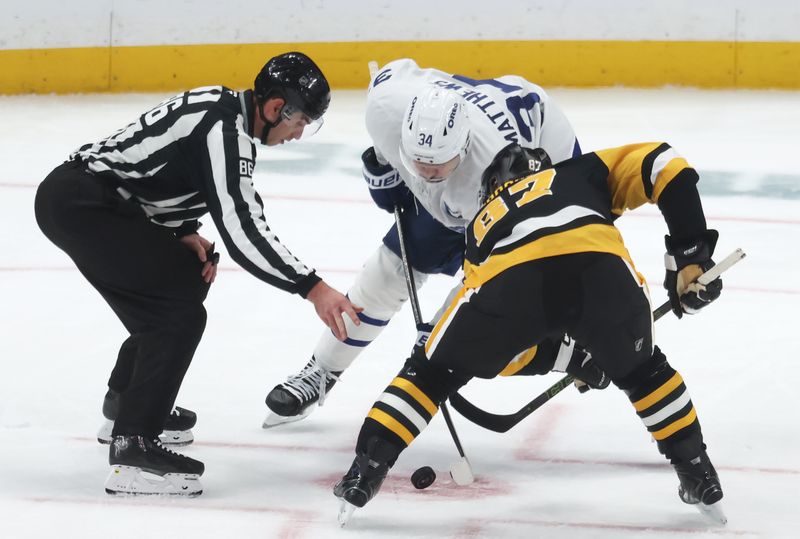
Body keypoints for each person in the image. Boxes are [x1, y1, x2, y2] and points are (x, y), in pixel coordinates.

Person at [333, 141, 726, 523]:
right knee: (645, 373)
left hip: (509, 280)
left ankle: (364, 474)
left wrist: (568, 358)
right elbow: (663, 163)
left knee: (428, 375)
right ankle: (697, 472)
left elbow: (499, 347)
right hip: (602, 272)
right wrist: (690, 253)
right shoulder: (577, 173)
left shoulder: (480, 226)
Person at [34, 51, 362, 496]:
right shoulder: (225, 131)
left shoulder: (221, 108)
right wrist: (312, 287)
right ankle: (134, 446)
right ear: (273, 108)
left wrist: (182, 231)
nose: (299, 133)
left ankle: (128, 403)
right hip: (85, 207)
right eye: (300, 120)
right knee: (177, 315)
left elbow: (150, 169)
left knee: (184, 279)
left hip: (86, 201)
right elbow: (244, 229)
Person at [264, 58, 585, 427]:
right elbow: (397, 83)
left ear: (463, 149)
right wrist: (385, 170)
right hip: (466, 175)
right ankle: (322, 370)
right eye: (418, 162)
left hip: (535, 169)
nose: (427, 174)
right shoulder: (386, 108)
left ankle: (566, 349)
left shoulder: (492, 174)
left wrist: (444, 332)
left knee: (506, 297)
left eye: (438, 166)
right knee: (387, 273)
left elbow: (487, 276)